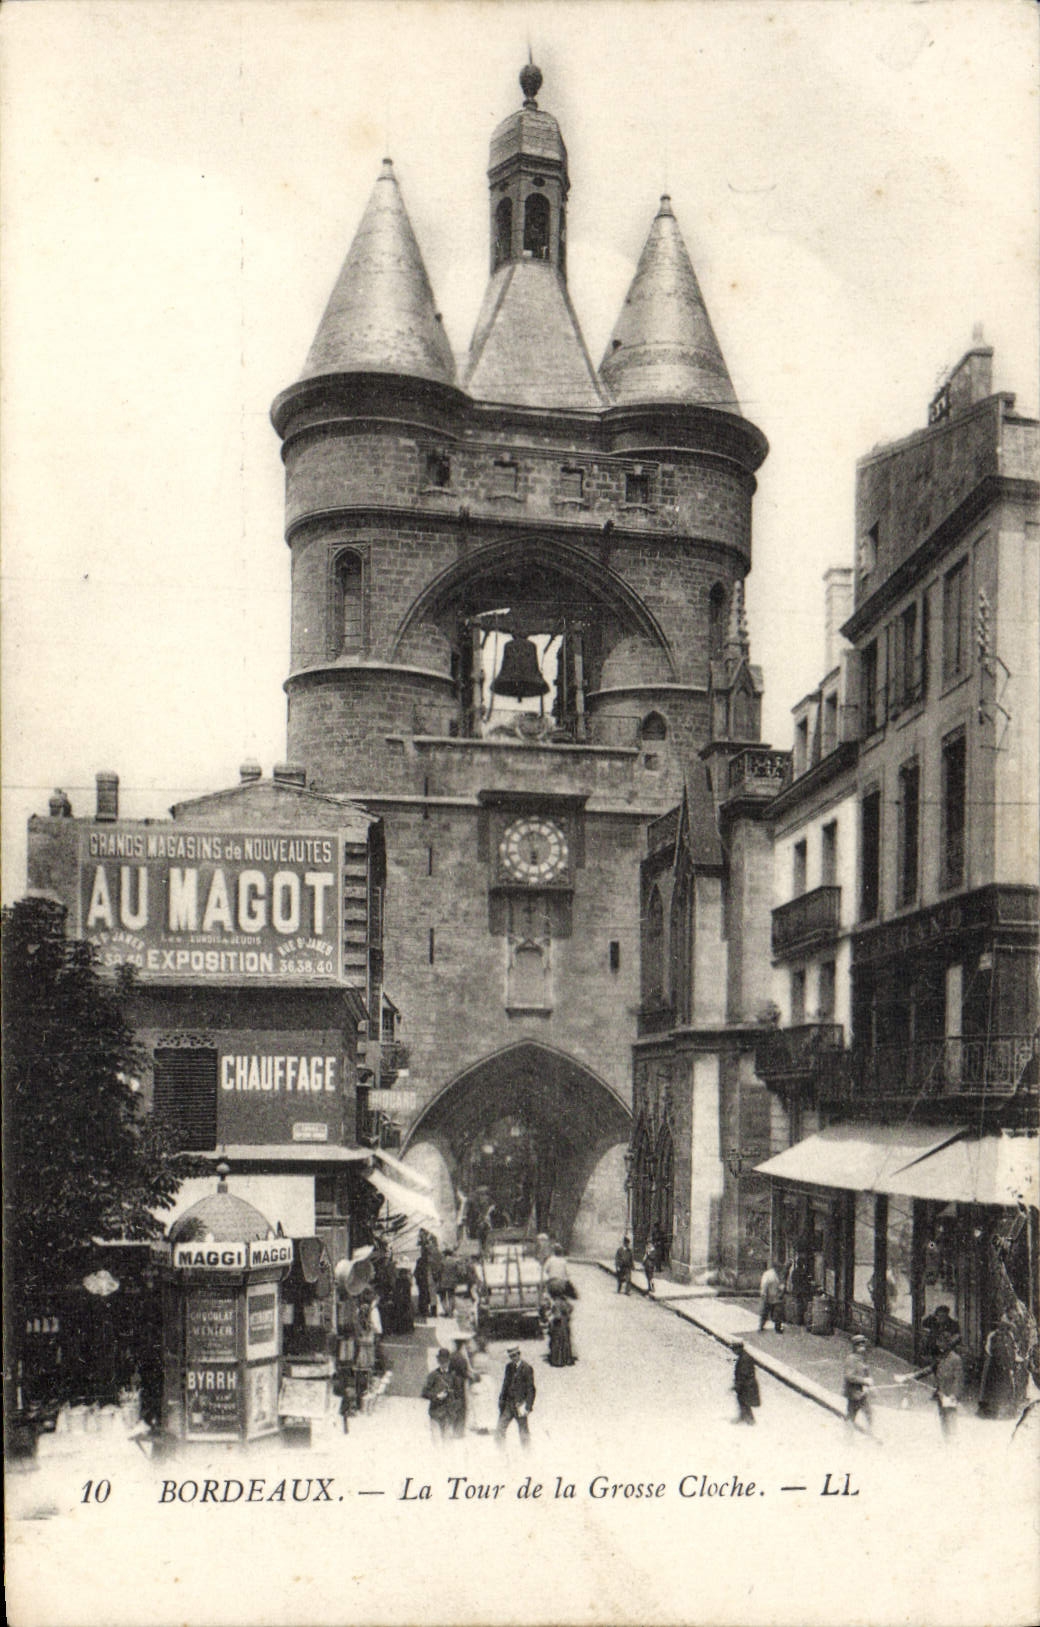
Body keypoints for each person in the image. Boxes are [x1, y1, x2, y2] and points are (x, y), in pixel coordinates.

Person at [496, 1345, 536, 1445]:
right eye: (511, 1356)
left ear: (519, 1354)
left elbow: (531, 1389)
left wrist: (527, 1406)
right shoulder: (508, 1367)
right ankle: (500, 1453)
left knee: (523, 1432)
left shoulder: (527, 1368)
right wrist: (502, 1400)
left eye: (514, 1355)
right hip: (509, 1404)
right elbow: (505, 1385)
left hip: (520, 1405)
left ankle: (527, 1454)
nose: (513, 1358)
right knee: (500, 1428)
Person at [843, 1334, 875, 1436]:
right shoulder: (851, 1359)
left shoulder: (862, 1358)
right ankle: (848, 1438)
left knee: (869, 1413)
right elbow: (849, 1377)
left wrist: (869, 1385)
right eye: (860, 1345)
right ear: (856, 1346)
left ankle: (870, 1434)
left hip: (862, 1393)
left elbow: (866, 1373)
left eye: (863, 1345)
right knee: (851, 1416)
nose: (863, 1347)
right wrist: (865, 1381)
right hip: (853, 1393)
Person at [421, 1349, 455, 1441]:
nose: (443, 1363)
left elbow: (458, 1393)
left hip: (448, 1413)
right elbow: (424, 1393)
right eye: (441, 1361)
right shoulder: (433, 1375)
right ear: (438, 1361)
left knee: (448, 1442)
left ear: (449, 1361)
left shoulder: (453, 1375)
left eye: (445, 1361)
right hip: (436, 1412)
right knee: (436, 1440)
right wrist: (436, 1396)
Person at [448, 1334, 477, 1437]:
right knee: (461, 1407)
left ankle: (452, 1430)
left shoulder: (451, 1355)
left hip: (451, 1382)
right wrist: (472, 1377)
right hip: (459, 1383)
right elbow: (464, 1372)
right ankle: (459, 1432)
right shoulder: (461, 1358)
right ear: (462, 1345)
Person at [732, 1339, 761, 1425]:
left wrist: (738, 1384)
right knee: (743, 1401)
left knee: (744, 1401)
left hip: (747, 1385)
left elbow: (743, 1374)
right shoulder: (743, 1356)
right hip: (746, 1385)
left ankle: (750, 1420)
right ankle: (744, 1417)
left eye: (734, 1349)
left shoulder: (744, 1359)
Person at [546, 1292, 575, 1367]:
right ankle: (567, 1359)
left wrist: (550, 1318)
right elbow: (571, 1308)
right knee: (565, 1341)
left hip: (558, 1325)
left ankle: (558, 1361)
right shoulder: (565, 1302)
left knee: (557, 1342)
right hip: (565, 1324)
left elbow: (557, 1316)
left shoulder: (557, 1303)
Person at [758, 1262, 783, 1332]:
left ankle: (763, 1326)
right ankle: (762, 1326)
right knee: (769, 1312)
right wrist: (764, 1294)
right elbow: (765, 1285)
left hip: (772, 1296)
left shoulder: (772, 1274)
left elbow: (764, 1285)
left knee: (771, 1312)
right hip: (770, 1296)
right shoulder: (770, 1274)